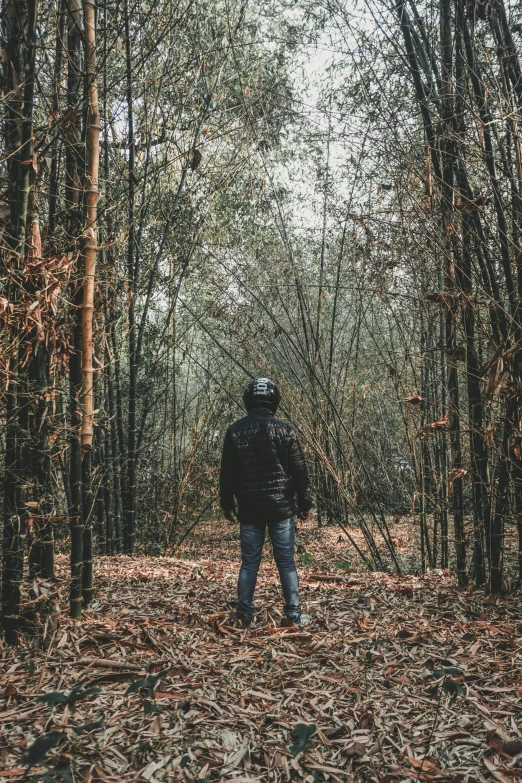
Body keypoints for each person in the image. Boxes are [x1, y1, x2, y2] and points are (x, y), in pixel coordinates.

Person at [219, 378, 313, 627]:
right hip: (281, 507)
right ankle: (293, 615)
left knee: (249, 563)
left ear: (248, 400)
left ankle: (244, 615)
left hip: (250, 508)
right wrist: (305, 503)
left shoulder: (235, 431)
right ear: (274, 400)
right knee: (286, 561)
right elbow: (299, 470)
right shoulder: (285, 430)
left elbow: (227, 473)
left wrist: (226, 504)